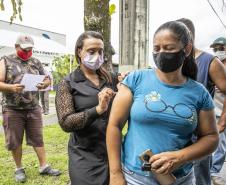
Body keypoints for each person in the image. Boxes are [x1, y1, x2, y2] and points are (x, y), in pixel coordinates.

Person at [106, 21, 219, 185]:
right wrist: (115, 174)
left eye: (169, 48)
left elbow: (211, 138)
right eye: (156, 48)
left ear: (186, 49)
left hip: (180, 179)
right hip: (134, 178)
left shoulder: (199, 92)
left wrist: (178, 158)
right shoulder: (135, 80)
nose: (161, 53)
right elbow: (114, 125)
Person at [55, 31, 118, 185]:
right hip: (85, 155)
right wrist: (97, 110)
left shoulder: (111, 78)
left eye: (100, 51)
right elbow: (66, 122)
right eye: (91, 51)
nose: (97, 55)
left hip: (113, 152)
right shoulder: (68, 83)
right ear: (79, 51)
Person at [0, 35, 61, 183]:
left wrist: (44, 84)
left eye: (30, 49)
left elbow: (47, 78)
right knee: (15, 140)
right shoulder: (5, 60)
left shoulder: (36, 61)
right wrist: (11, 87)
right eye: (24, 49)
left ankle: (43, 166)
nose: (28, 52)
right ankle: (19, 168)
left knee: (37, 137)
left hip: (33, 107)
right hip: (12, 108)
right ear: (16, 47)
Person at [177, 18, 226, 185]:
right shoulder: (173, 62)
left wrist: (221, 124)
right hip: (176, 137)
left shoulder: (210, 62)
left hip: (199, 139)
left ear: (189, 37)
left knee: (200, 179)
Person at [209, 37, 226, 185]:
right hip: (212, 114)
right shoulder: (213, 67)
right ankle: (211, 170)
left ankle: (214, 171)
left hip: (223, 116)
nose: (217, 51)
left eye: (221, 48)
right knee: (211, 144)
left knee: (222, 145)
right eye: (215, 49)